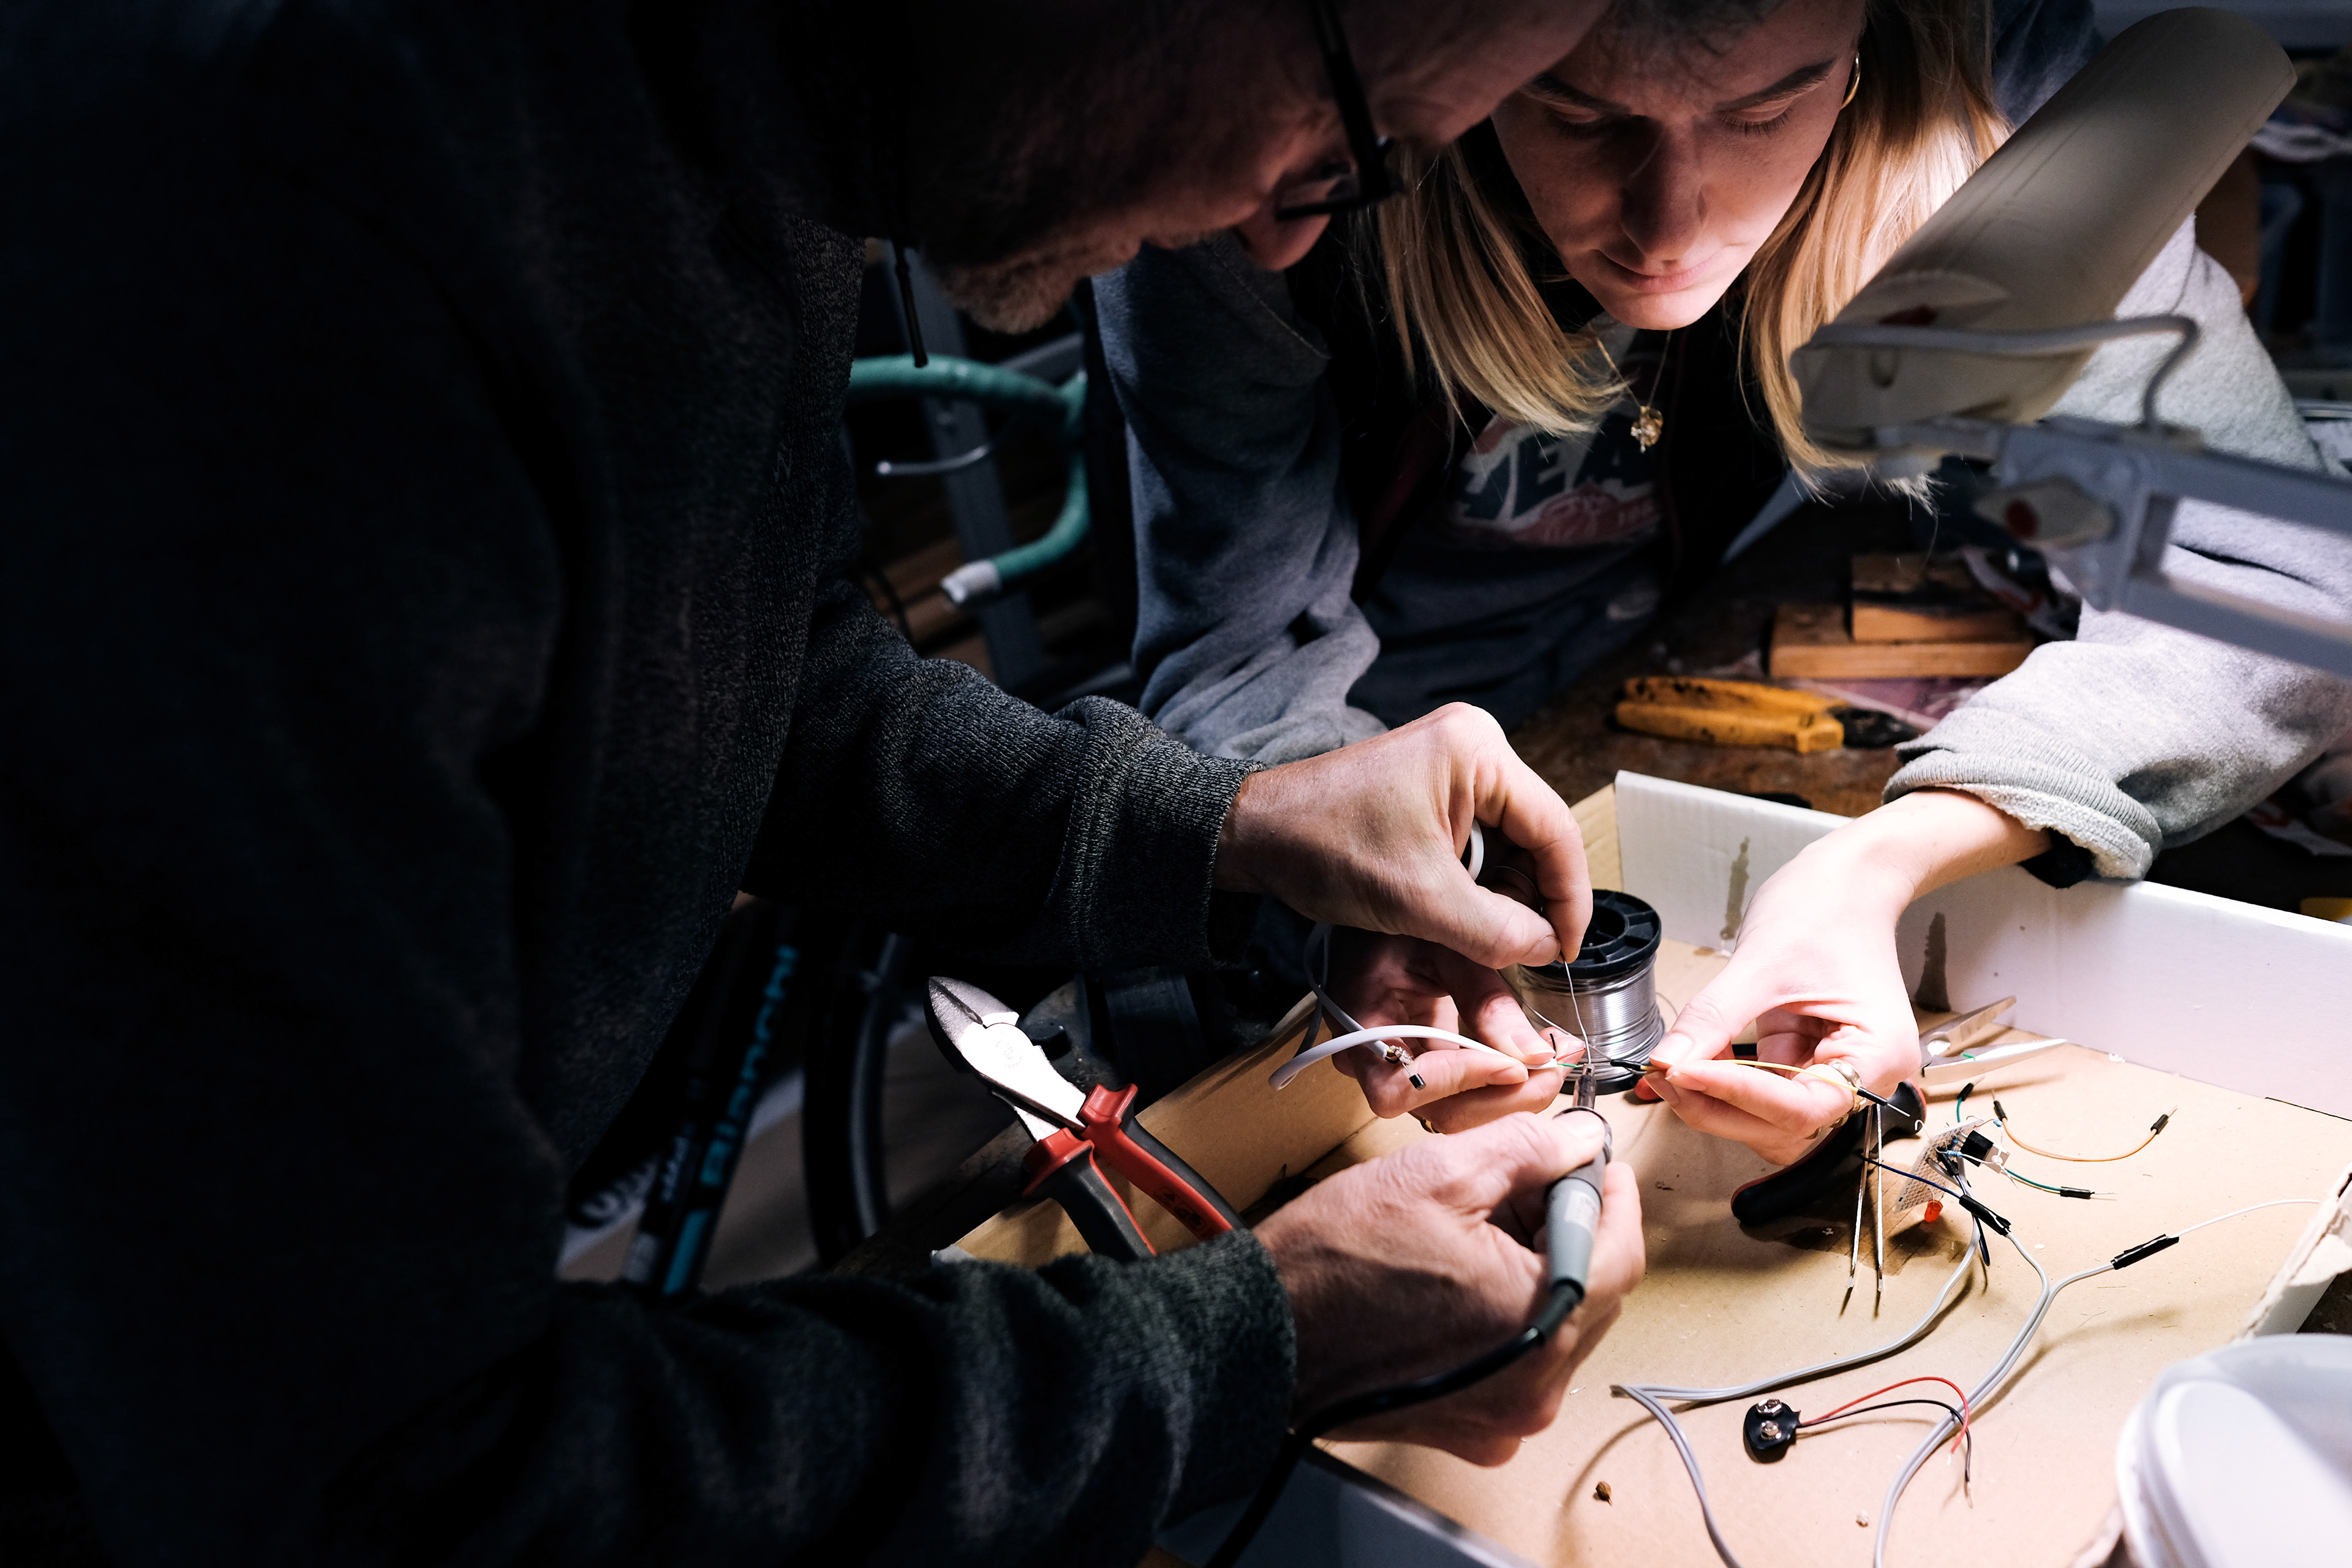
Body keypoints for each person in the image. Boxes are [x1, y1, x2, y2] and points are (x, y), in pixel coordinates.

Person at [0, 2, 1654, 1563]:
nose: (1289, 239)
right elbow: (384, 1472)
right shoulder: (271, 251)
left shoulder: (757, 110)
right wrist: (1247, 1339)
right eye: (1348, 139)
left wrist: (1222, 830)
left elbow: (752, 668)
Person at [1102, 0, 2352, 1154]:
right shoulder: (1270, 163)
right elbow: (1237, 656)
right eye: (1576, 112)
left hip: (1652, 637)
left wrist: (1882, 862)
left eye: (1766, 107)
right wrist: (1340, 884)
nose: (1668, 225)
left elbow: (2276, 576)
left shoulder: (1992, 70)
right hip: (1384, 734)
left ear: (1874, 44)